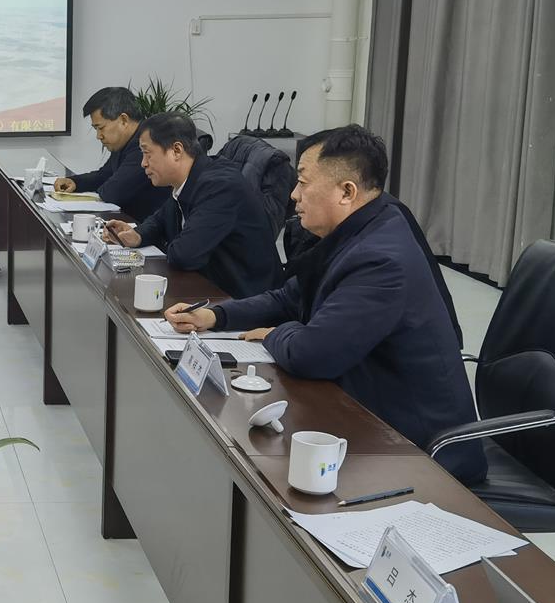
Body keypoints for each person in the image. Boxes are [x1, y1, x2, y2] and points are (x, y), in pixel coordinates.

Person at [167, 126, 484, 484]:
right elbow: (289, 296)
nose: (293, 194)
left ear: (346, 192)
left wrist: (275, 333)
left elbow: (311, 354)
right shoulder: (358, 229)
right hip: (366, 413)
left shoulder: (381, 259)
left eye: (303, 182)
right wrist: (215, 315)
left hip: (418, 451)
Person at [103, 112, 281, 298]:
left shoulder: (220, 186)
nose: (143, 163)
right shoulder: (191, 178)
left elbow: (184, 255)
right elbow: (160, 219)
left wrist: (164, 245)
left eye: (147, 153)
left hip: (244, 298)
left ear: (176, 150)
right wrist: (137, 235)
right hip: (210, 288)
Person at [53, 87, 169, 220]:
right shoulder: (124, 142)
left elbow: (112, 192)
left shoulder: (144, 145)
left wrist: (101, 188)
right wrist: (75, 182)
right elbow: (105, 175)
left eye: (101, 128)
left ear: (123, 120)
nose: (99, 136)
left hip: (146, 226)